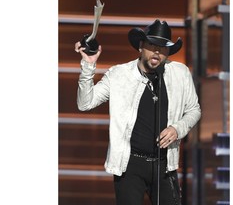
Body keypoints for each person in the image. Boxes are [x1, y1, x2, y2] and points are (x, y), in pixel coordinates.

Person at [74, 19, 201, 205]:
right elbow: (85, 103)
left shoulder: (180, 73)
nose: (157, 51)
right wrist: (88, 66)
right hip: (130, 165)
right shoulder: (119, 74)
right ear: (141, 46)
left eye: (163, 47)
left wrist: (177, 128)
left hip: (165, 164)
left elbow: (194, 110)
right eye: (151, 45)